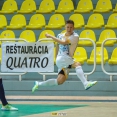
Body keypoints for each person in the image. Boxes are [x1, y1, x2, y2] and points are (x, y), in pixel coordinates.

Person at [32, 20, 97, 92]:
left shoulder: (75, 36)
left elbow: (63, 42)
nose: (69, 29)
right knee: (77, 64)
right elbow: (57, 47)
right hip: (62, 59)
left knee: (59, 81)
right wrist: (55, 58)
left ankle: (39, 84)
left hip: (65, 60)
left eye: (71, 27)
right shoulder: (60, 35)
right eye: (68, 27)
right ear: (65, 27)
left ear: (74, 28)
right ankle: (85, 83)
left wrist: (50, 36)